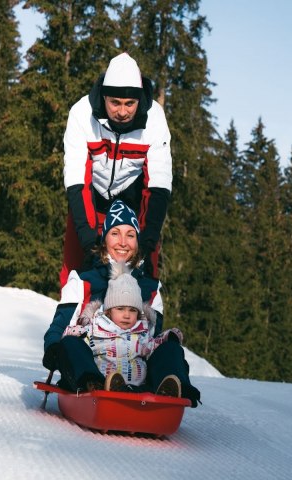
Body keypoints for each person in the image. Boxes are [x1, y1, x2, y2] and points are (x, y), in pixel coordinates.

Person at [44, 200, 200, 407]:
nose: (123, 242)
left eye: (130, 235)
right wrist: (55, 349)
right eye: (115, 233)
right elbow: (59, 327)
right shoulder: (82, 280)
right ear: (105, 238)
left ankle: (171, 391)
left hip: (137, 375)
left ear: (137, 240)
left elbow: (151, 341)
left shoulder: (150, 288)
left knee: (171, 349)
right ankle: (94, 385)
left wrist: (168, 345)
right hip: (92, 366)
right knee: (69, 343)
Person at [60, 52, 172, 286]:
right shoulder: (81, 114)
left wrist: (147, 243)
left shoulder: (155, 119)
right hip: (91, 196)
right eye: (115, 103)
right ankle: (72, 316)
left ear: (139, 100)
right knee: (76, 268)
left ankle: (145, 317)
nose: (122, 112)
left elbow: (158, 185)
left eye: (130, 104)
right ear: (104, 97)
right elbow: (77, 181)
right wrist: (90, 244)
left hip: (132, 202)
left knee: (144, 270)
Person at [62, 261, 184, 394]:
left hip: (138, 389)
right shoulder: (95, 328)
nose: (127, 315)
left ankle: (165, 393)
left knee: (171, 349)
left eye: (132, 310)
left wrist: (168, 337)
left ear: (138, 313)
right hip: (102, 386)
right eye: (120, 309)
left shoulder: (142, 333)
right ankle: (91, 383)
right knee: (71, 344)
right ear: (109, 311)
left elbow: (154, 346)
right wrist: (75, 332)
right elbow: (74, 343)